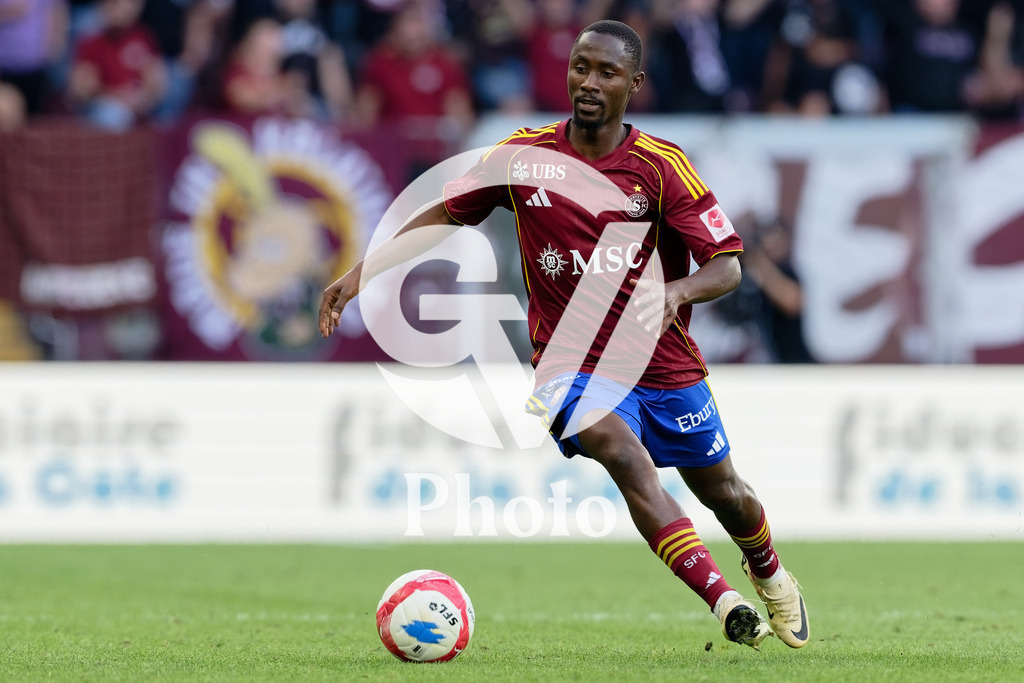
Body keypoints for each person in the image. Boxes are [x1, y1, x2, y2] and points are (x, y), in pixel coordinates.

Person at [319, 19, 809, 650]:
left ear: (634, 84)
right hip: (569, 361)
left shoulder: (662, 168)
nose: (588, 82)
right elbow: (446, 211)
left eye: (607, 72)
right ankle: (726, 602)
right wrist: (365, 271)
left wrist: (678, 293)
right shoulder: (524, 156)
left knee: (727, 495)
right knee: (623, 455)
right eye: (581, 67)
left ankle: (767, 570)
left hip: (663, 363)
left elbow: (728, 264)